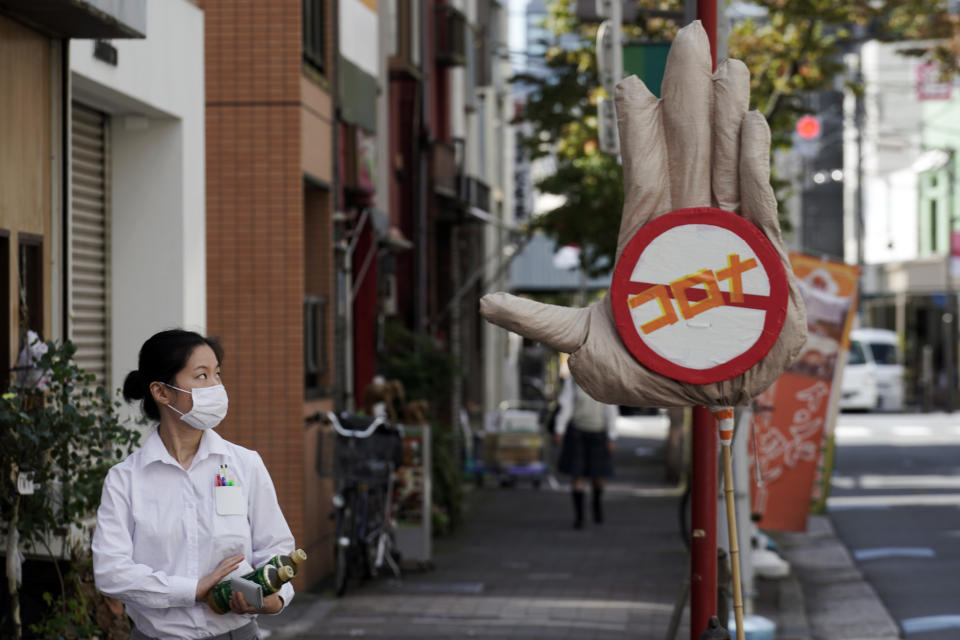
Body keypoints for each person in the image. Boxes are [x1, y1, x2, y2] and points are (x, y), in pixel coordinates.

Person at [92, 329, 296, 640]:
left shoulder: (245, 464)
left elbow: (276, 547)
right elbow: (110, 572)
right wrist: (192, 591)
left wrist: (276, 598)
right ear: (162, 392)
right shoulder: (126, 479)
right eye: (201, 376)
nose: (216, 387)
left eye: (218, 374)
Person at [553, 374, 618, 529]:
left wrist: (611, 436)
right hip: (577, 432)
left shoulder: (605, 380)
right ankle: (579, 517)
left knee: (598, 477)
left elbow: (611, 409)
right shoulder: (573, 381)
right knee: (578, 475)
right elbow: (566, 405)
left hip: (599, 432)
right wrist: (559, 430)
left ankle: (596, 505)